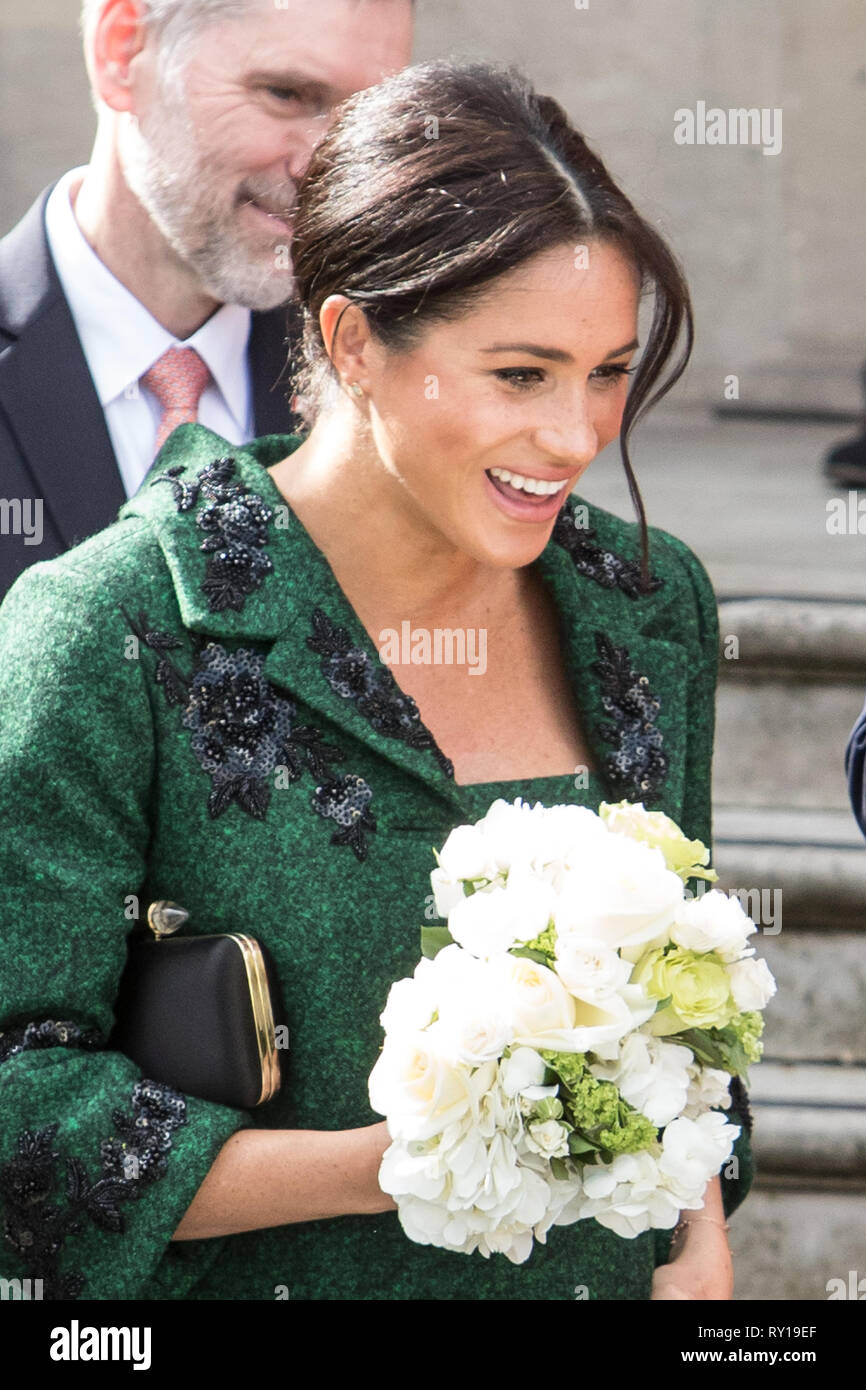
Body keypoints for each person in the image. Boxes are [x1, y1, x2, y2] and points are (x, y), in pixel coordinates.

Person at [0, 60, 752, 1301]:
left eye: (608, 371)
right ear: (352, 341)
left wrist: (698, 1239)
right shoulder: (106, 629)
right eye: (521, 374)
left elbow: (693, 1018)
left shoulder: (645, 603)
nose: (575, 435)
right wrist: (398, 1166)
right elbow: (21, 1114)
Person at [0, 0, 413, 596]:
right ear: (122, 51)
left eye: (365, 119)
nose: (329, 167)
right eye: (286, 94)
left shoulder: (384, 376)